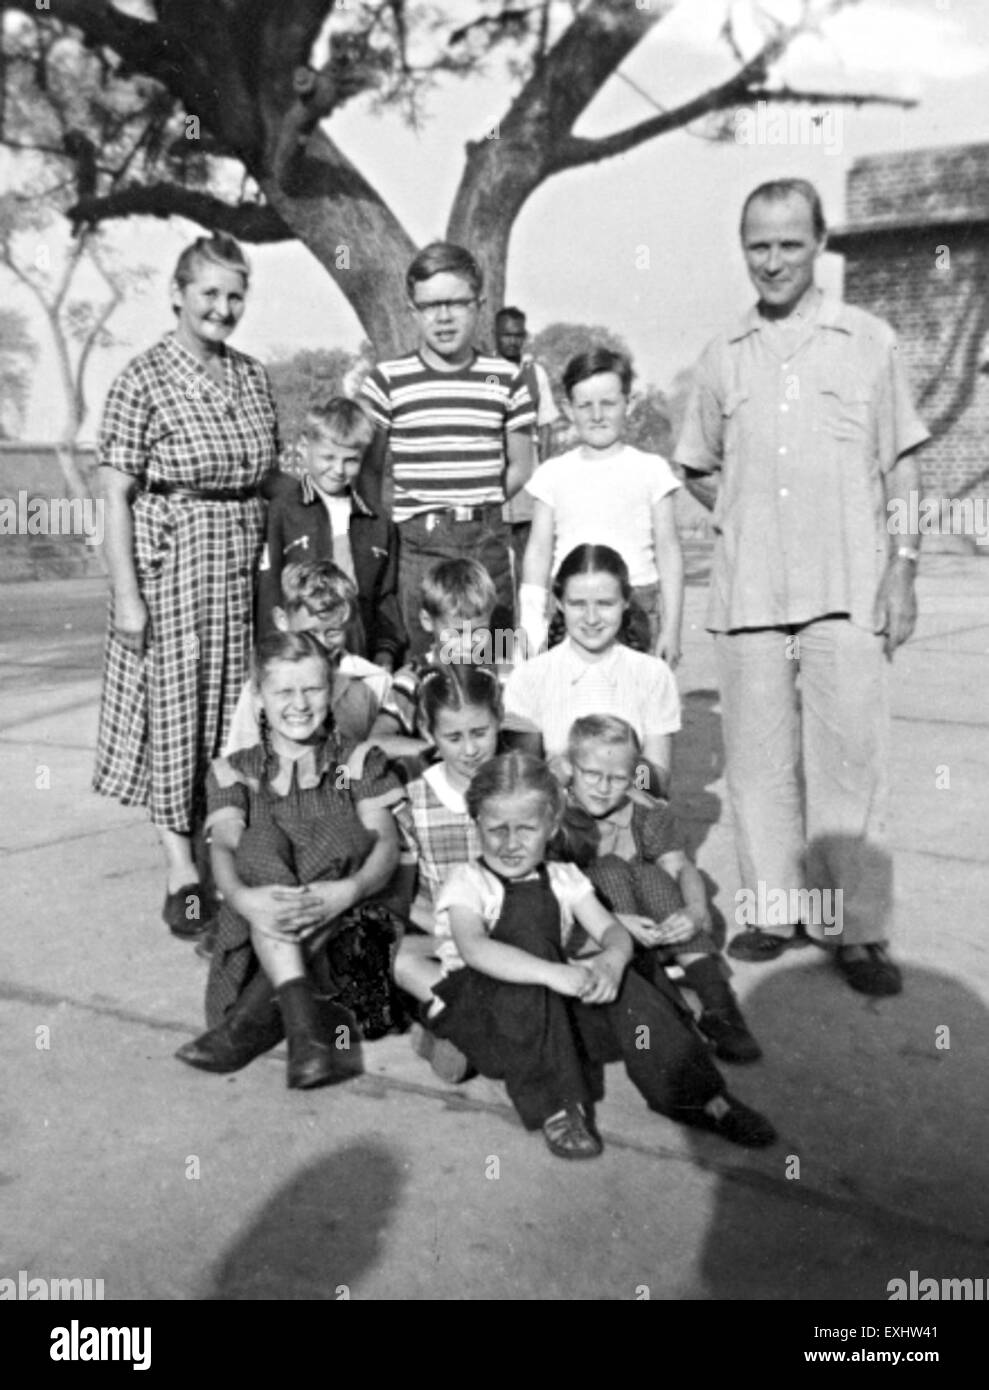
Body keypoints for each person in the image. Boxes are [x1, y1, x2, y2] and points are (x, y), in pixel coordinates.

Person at [675, 178, 929, 996]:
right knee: (756, 762)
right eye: (758, 245)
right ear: (741, 248)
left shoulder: (868, 341)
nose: (773, 260)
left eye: (789, 243)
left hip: (848, 586)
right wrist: (748, 526)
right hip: (747, 593)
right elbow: (700, 467)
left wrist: (901, 566)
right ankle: (773, 909)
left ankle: (852, 929)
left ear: (817, 243)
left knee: (847, 762)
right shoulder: (722, 354)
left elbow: (901, 466)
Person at [427, 753, 777, 1157]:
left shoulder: (563, 877)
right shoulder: (468, 881)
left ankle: (697, 1095)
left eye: (525, 829)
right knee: (529, 936)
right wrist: (552, 974)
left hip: (550, 1018)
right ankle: (558, 1106)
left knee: (626, 976)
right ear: (476, 827)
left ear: (551, 827)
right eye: (495, 830)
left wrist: (610, 960)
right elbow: (474, 947)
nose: (510, 844)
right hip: (487, 1012)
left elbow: (610, 929)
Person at [93, 233, 278, 941]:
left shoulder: (254, 377)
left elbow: (268, 478)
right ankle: (180, 869)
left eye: (235, 296)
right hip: (171, 564)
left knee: (234, 709)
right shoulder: (140, 378)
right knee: (175, 712)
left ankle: (225, 844)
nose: (223, 308)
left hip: (241, 559)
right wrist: (128, 597)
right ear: (177, 294)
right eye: (210, 293)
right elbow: (112, 496)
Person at [174, 631, 404, 1089]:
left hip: (349, 917)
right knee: (256, 842)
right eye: (283, 691)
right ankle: (304, 1030)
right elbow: (224, 846)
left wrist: (350, 890)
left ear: (332, 690)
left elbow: (386, 845)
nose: (299, 704)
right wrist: (241, 898)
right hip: (260, 918)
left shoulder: (356, 761)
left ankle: (258, 1025)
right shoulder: (234, 769)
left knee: (343, 833)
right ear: (258, 697)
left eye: (313, 689)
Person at [359, 242, 535, 656]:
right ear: (412, 310)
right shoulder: (388, 380)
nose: (442, 317)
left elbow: (521, 465)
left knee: (491, 663)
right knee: (425, 666)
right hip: (418, 543)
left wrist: (476, 503)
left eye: (456, 303)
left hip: (486, 540)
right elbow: (368, 471)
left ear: (479, 304)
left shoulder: (507, 378)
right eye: (429, 305)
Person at [555, 716, 760, 1064]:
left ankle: (718, 1004)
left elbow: (679, 865)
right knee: (610, 869)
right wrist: (613, 923)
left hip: (648, 927)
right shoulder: (554, 815)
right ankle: (654, 1005)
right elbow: (547, 891)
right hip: (587, 931)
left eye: (618, 777)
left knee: (653, 876)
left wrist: (695, 910)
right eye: (591, 774)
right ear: (568, 767)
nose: (604, 787)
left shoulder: (643, 811)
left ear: (634, 774)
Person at [520, 347, 683, 664]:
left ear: (630, 403)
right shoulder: (552, 473)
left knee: (632, 702)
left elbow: (668, 550)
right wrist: (530, 625)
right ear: (568, 409)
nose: (597, 416)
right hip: (572, 604)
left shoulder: (652, 470)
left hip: (636, 603)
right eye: (585, 405)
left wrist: (673, 628)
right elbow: (538, 550)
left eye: (608, 404)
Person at [503, 544, 680, 796]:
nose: (591, 618)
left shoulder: (653, 675)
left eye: (605, 603)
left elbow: (657, 785)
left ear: (626, 601)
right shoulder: (528, 677)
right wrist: (559, 772)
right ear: (559, 603)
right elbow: (523, 783)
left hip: (628, 821)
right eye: (577, 604)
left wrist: (622, 767)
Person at [256, 396, 405, 669]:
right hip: (300, 650)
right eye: (328, 457)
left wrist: (386, 650)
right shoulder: (283, 511)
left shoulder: (378, 521)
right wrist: (274, 653)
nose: (338, 470)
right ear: (304, 447)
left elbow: (386, 596)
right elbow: (269, 591)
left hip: (358, 650)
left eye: (351, 460)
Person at [226, 561, 389, 753]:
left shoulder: (374, 683)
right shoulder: (261, 688)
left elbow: (383, 754)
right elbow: (239, 760)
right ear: (283, 621)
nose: (320, 644)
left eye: (333, 632)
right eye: (309, 634)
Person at [370, 557, 516, 765]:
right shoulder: (413, 677)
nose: (468, 645)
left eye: (478, 632)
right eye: (456, 633)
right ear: (427, 621)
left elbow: (520, 737)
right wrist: (446, 750)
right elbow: (377, 740)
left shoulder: (503, 674)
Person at [494, 306, 560, 575]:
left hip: (527, 464)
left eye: (517, 335)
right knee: (494, 546)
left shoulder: (535, 373)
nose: (512, 341)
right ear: (495, 336)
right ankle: (497, 616)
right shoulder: (484, 370)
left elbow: (545, 426)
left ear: (525, 336)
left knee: (528, 545)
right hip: (493, 463)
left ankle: (528, 613)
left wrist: (543, 472)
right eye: (506, 335)